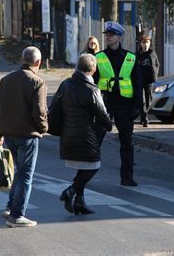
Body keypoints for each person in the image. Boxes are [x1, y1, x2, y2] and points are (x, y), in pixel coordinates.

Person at [0, 46, 48, 228]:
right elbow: (39, 112)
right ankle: (17, 215)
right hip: (28, 135)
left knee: (18, 172)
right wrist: (44, 128)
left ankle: (10, 206)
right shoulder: (38, 82)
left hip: (9, 134)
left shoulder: (6, 80)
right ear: (38, 62)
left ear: (22, 60)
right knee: (25, 176)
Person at [58, 54, 112, 215]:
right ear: (93, 69)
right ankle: (71, 191)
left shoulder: (66, 84)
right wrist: (109, 125)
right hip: (86, 135)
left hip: (67, 133)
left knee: (83, 167)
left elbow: (55, 106)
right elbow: (102, 113)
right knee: (93, 166)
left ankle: (80, 201)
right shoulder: (92, 89)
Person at [93, 21, 143, 186]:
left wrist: (137, 106)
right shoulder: (98, 57)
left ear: (119, 37)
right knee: (95, 141)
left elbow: (137, 83)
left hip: (124, 104)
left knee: (126, 142)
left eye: (111, 35)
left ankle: (127, 177)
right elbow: (92, 83)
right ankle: (86, 174)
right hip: (104, 104)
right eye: (106, 35)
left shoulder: (131, 57)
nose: (108, 37)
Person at [136, 35, 159, 127]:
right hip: (139, 80)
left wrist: (155, 75)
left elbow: (157, 64)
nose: (145, 44)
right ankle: (144, 118)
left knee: (149, 100)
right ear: (140, 43)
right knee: (142, 100)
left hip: (149, 80)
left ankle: (144, 115)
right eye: (144, 42)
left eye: (147, 42)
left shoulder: (152, 53)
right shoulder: (137, 55)